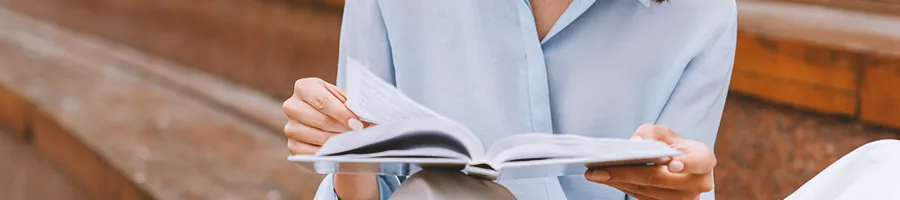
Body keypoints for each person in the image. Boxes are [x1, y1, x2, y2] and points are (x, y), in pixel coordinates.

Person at [282, 0, 736, 199]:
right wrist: (346, 150)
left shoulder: (700, 12)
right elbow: (368, 184)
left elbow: (677, 182)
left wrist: (677, 191)